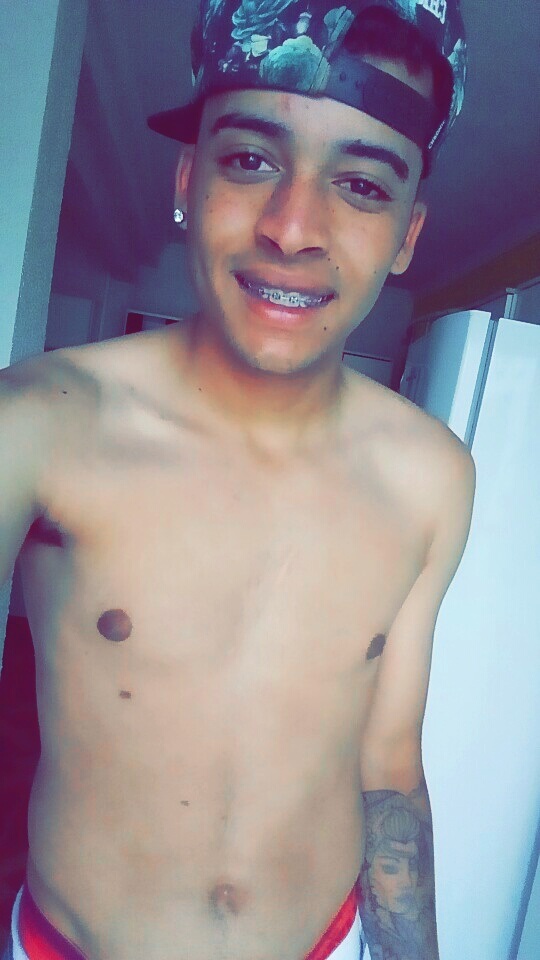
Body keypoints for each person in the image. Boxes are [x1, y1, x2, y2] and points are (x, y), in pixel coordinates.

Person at [0, 0, 475, 957]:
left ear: (407, 237)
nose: (293, 229)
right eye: (252, 160)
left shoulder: (432, 477)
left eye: (362, 186)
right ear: (188, 178)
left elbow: (389, 768)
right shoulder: (38, 427)